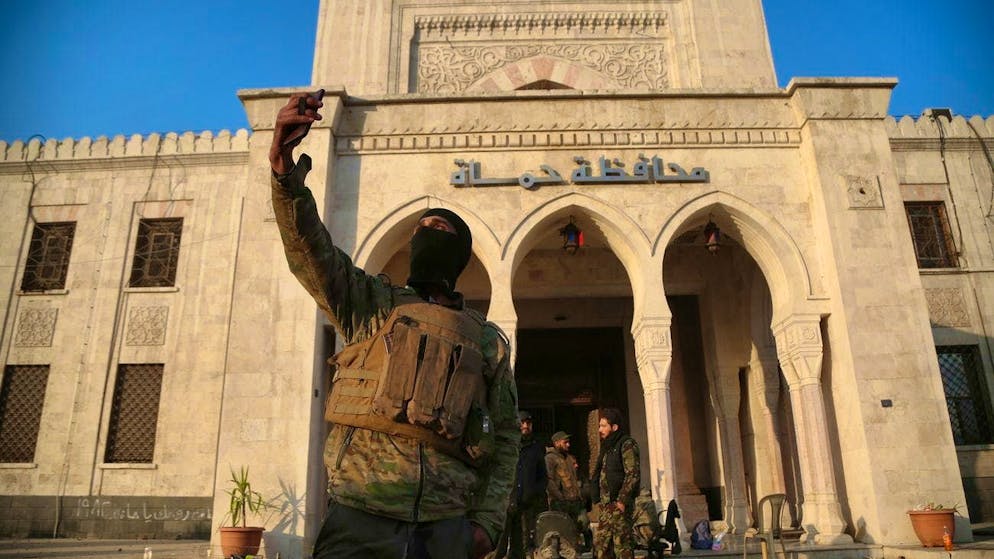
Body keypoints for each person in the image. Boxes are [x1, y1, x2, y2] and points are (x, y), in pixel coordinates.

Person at [269, 91, 520, 559]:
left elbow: (506, 437)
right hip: (360, 515)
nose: (426, 234)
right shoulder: (373, 305)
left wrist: (486, 524)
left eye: (439, 230)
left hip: (444, 526)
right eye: (421, 229)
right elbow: (310, 251)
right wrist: (284, 172)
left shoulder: (485, 340)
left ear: (459, 253)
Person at [496, 411, 548, 559]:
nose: (525, 426)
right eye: (522, 422)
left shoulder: (536, 448)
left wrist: (534, 492)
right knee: (499, 545)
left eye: (528, 423)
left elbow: (542, 476)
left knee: (524, 546)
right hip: (505, 502)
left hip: (527, 505)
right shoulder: (506, 444)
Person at [591, 407, 640, 559]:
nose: (600, 430)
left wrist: (622, 500)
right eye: (599, 426)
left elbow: (632, 473)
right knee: (602, 547)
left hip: (619, 505)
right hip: (606, 506)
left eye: (603, 426)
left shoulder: (626, 444)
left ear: (614, 427)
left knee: (622, 546)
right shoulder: (607, 446)